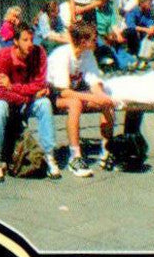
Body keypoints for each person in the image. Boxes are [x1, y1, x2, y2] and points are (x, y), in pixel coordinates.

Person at [0, 23, 61, 181]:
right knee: (0, 106)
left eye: (32, 39)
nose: (30, 44)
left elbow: (40, 84)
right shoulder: (2, 56)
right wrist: (28, 97)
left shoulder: (39, 53)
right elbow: (0, 92)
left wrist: (12, 86)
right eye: (25, 40)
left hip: (23, 99)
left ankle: (49, 155)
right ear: (16, 42)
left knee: (45, 104)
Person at [48, 21, 113, 177]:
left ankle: (107, 149)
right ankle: (75, 156)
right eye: (94, 39)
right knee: (75, 103)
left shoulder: (87, 54)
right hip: (53, 95)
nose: (96, 41)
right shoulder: (62, 55)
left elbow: (94, 83)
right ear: (83, 41)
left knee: (105, 101)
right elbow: (64, 92)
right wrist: (92, 97)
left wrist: (102, 98)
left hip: (75, 92)